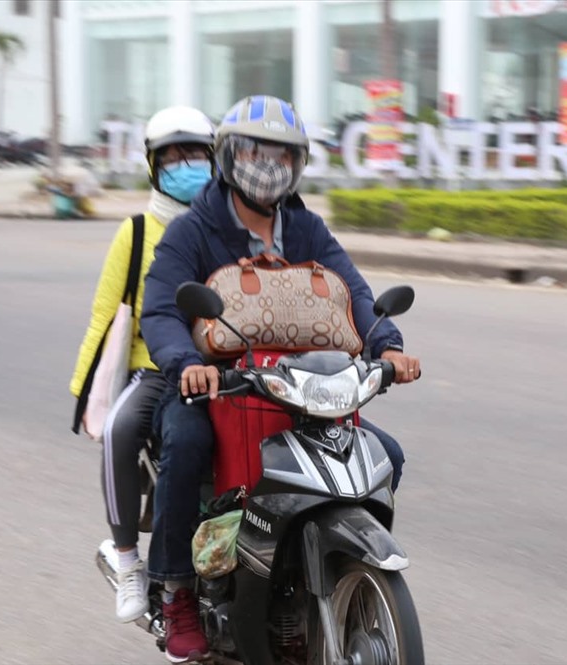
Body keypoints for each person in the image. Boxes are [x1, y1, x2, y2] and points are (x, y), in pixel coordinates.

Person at [139, 95, 421, 663]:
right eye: (252, 153)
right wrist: (186, 364)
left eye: (280, 157)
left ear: (297, 166)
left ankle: (336, 569)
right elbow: (163, 311)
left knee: (385, 452)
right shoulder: (194, 230)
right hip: (215, 384)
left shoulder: (306, 227)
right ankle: (178, 592)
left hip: (298, 385)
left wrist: (388, 346)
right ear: (228, 158)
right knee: (188, 442)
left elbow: (354, 294)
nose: (266, 167)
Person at [69, 106, 216, 624]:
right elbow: (103, 316)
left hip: (222, 367)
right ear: (154, 166)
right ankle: (130, 560)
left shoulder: (226, 226)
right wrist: (85, 391)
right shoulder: (135, 233)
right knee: (119, 431)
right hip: (152, 370)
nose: (186, 165)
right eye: (173, 157)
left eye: (196, 154)